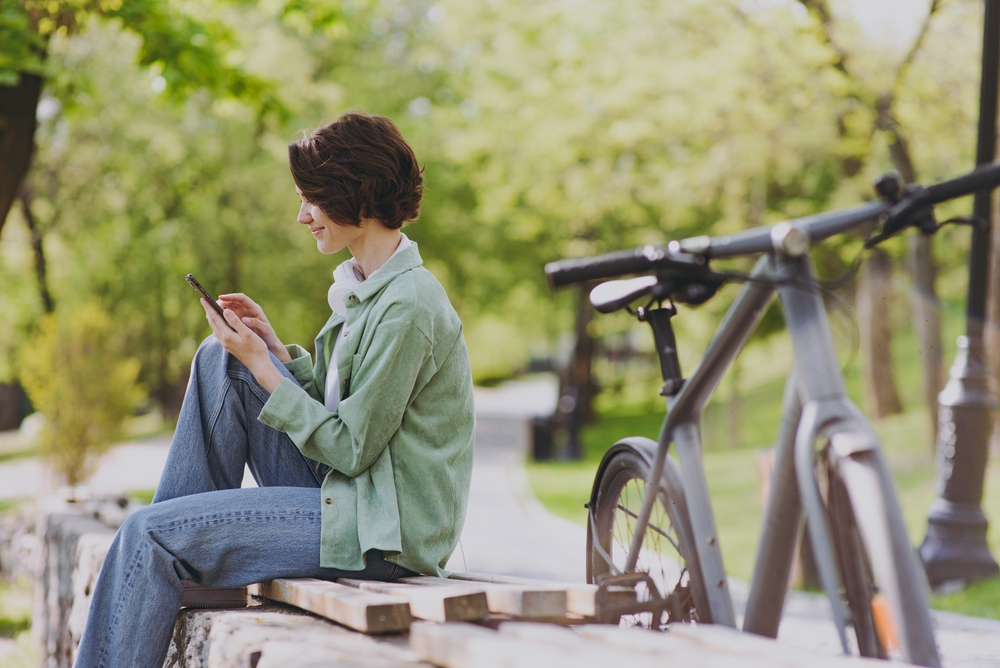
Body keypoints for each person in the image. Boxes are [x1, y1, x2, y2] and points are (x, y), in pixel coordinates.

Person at [73, 112, 476, 668]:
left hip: (380, 533)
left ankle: (175, 550)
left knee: (149, 534)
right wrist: (275, 353)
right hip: (348, 500)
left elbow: (352, 448)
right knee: (222, 359)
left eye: (311, 199)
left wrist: (265, 367)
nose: (301, 215)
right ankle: (185, 556)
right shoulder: (369, 290)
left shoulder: (409, 306)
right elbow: (343, 412)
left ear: (356, 199)